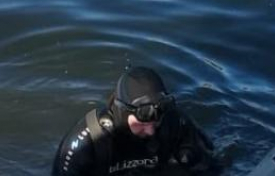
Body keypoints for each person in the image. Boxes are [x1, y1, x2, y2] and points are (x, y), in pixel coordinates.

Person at [51, 66, 215, 175]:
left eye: (156, 123)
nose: (151, 131)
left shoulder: (174, 124)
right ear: (123, 112)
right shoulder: (87, 143)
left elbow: (209, 167)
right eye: (143, 124)